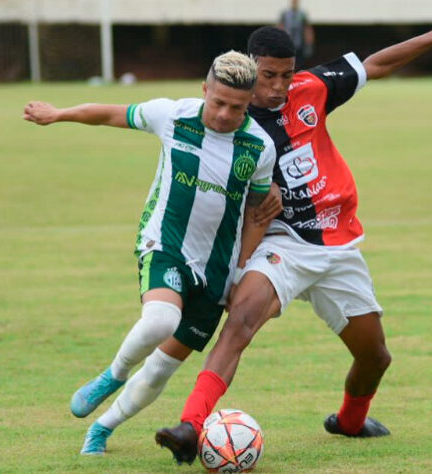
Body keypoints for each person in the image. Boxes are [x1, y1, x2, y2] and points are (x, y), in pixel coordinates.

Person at [155, 0, 432, 465]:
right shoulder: (231, 123)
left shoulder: (311, 88)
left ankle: (349, 421)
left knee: (376, 358)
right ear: (249, 70)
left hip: (339, 244)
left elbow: (374, 64)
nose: (279, 86)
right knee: (240, 324)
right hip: (281, 243)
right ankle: (190, 427)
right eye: (268, 75)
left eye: (285, 74)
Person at [23, 51, 282, 456]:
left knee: (163, 367)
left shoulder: (259, 147)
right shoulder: (173, 115)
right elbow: (110, 113)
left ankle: (102, 428)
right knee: (161, 319)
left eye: (237, 106)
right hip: (165, 245)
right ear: (204, 90)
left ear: (249, 103)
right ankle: (112, 375)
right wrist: (59, 114)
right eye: (218, 102)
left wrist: (240, 271)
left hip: (216, 269)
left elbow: (258, 213)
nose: (225, 114)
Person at [278, 0, 315, 69]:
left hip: (299, 44)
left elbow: (307, 29)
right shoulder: (285, 14)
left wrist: (308, 44)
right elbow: (281, 27)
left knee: (300, 64)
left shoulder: (302, 14)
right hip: (288, 43)